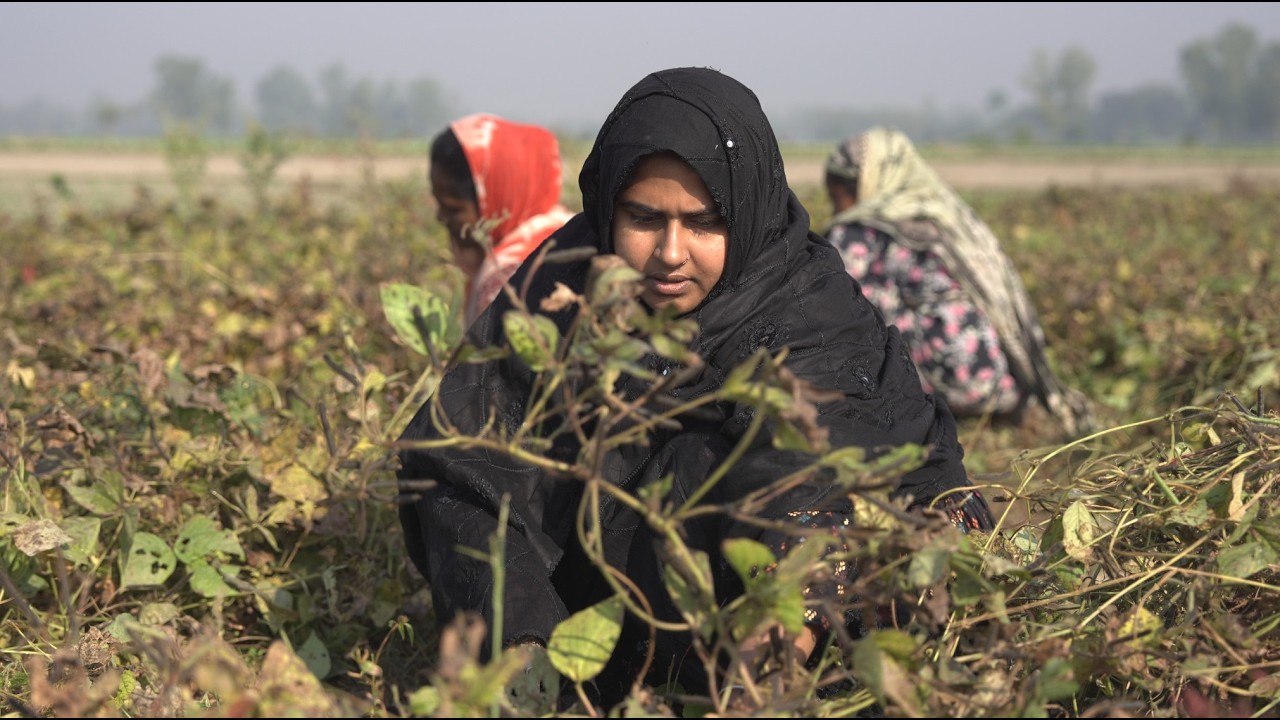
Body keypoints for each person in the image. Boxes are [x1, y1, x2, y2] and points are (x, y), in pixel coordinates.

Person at [397, 68, 993, 708]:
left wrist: (765, 672)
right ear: (607, 209)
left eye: (704, 222)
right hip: (595, 624)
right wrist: (520, 647)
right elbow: (461, 466)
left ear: (748, 212)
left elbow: (817, 493)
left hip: (773, 624)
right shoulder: (565, 283)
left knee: (704, 467)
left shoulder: (811, 317)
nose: (670, 252)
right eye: (644, 218)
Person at [823, 127, 1094, 438]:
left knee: (846, 315)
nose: (836, 210)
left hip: (953, 380)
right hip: (1001, 380)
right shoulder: (944, 216)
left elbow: (833, 305)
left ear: (862, 185)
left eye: (837, 197)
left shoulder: (858, 232)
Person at [429, 113, 574, 325]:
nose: (440, 217)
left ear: (496, 202)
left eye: (453, 209)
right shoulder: (573, 231)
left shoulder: (508, 280)